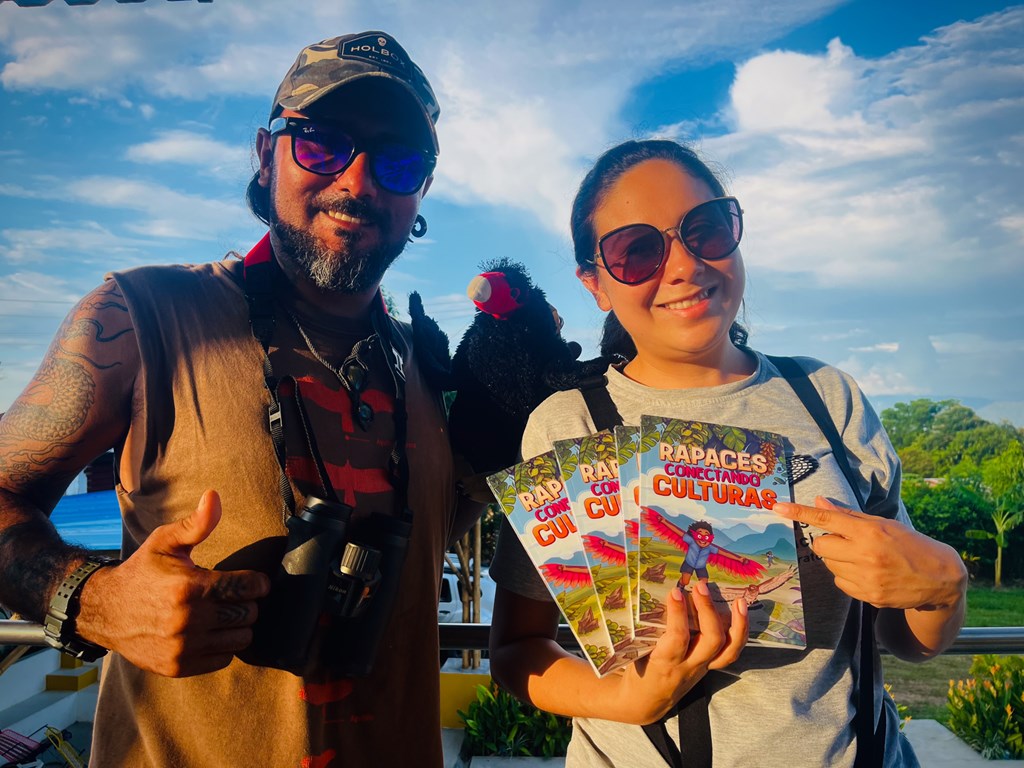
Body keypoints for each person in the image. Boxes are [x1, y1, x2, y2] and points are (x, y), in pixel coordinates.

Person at [0, 31, 480, 767]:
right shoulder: (141, 314)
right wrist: (92, 600)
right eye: (322, 144)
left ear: (421, 191)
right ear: (266, 155)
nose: (358, 181)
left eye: (399, 161)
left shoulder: (428, 368)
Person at [488, 139, 968, 767]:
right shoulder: (567, 428)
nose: (684, 265)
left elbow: (905, 638)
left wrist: (944, 590)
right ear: (595, 284)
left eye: (706, 229)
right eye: (637, 251)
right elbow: (517, 650)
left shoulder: (829, 397)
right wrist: (630, 699)